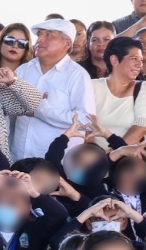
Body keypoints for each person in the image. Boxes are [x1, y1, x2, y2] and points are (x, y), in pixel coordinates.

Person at [12, 17, 93, 162]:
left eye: (48, 35)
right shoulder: (23, 70)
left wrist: (41, 110)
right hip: (18, 159)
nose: (40, 39)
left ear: (67, 43)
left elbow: (85, 120)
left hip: (57, 164)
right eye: (39, 34)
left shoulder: (77, 75)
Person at [90, 36, 146, 142]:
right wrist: (93, 150)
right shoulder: (92, 86)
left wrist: (116, 150)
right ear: (114, 60)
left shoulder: (142, 88)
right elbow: (85, 126)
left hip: (128, 152)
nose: (139, 64)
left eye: (141, 60)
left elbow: (143, 126)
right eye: (134, 58)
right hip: (94, 151)